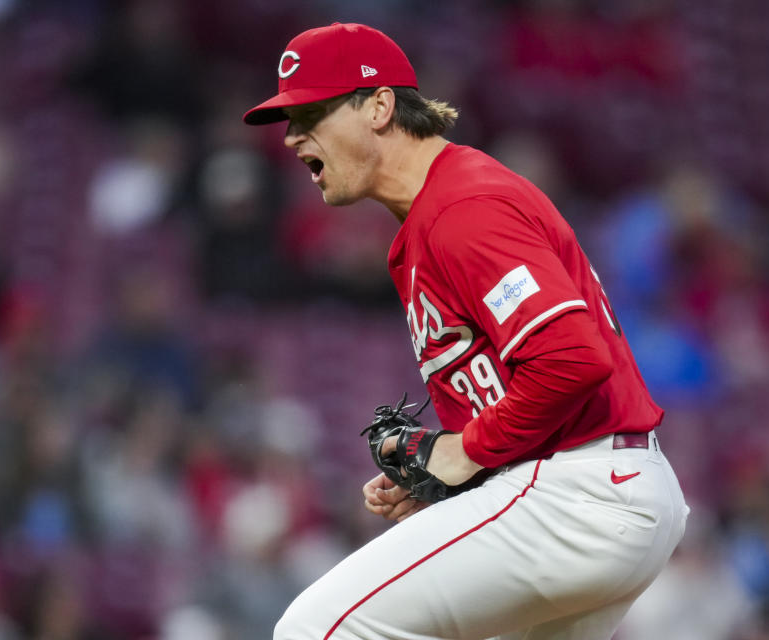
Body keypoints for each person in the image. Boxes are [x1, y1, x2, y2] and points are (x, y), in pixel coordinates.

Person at [244, 22, 689, 640]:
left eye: (311, 112)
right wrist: (454, 473)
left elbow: (572, 359)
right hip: (600, 490)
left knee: (317, 629)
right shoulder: (436, 213)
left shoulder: (463, 206)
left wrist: (466, 452)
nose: (293, 137)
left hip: (580, 492)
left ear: (379, 106)